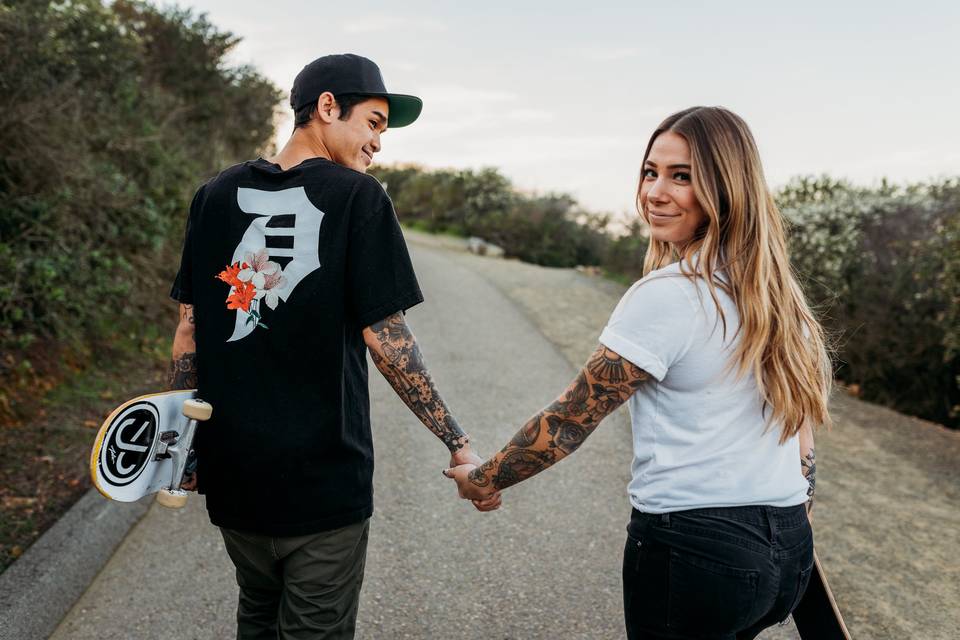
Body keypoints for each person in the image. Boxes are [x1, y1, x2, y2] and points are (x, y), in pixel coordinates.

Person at [445, 106, 830, 640]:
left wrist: (481, 480)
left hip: (697, 550)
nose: (655, 191)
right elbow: (801, 433)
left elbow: (569, 419)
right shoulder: (777, 298)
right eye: (651, 172)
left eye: (682, 176)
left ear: (727, 188)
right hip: (785, 546)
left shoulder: (670, 295)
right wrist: (794, 519)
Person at [168, 53, 500, 640]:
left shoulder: (213, 195)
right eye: (373, 122)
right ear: (327, 107)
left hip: (235, 480)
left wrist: (184, 450)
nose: (378, 143)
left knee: (257, 616)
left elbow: (189, 332)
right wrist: (458, 442)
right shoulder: (358, 198)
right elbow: (387, 341)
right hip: (322, 485)